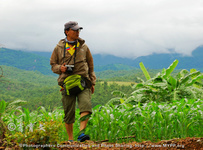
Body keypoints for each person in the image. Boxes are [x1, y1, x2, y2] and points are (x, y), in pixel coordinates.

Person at [50, 21, 96, 142]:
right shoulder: (58, 48)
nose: (77, 32)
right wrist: (61, 68)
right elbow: (53, 65)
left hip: (83, 81)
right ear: (67, 31)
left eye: (78, 30)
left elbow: (91, 65)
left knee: (86, 106)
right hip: (67, 83)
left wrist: (92, 82)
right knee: (68, 112)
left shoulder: (84, 47)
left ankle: (81, 133)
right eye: (74, 30)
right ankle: (70, 139)